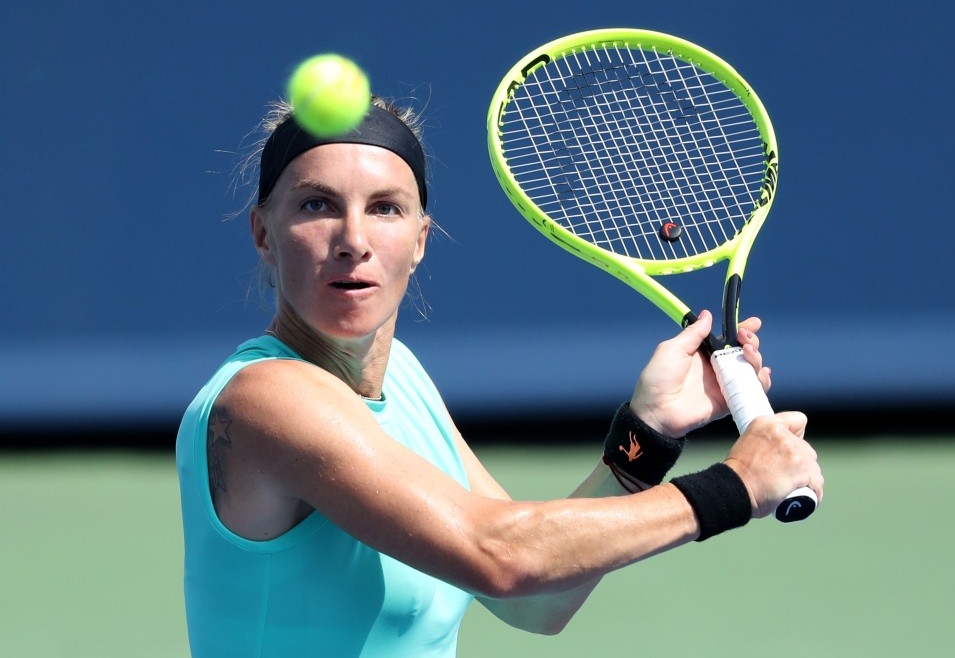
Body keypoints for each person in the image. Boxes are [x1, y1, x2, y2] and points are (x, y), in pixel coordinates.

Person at [176, 96, 823, 658]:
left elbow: (535, 605)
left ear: (421, 238)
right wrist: (733, 487)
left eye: (385, 208)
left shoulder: (401, 376)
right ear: (264, 232)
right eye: (317, 205)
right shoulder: (267, 400)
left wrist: (645, 437)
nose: (353, 238)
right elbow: (503, 556)